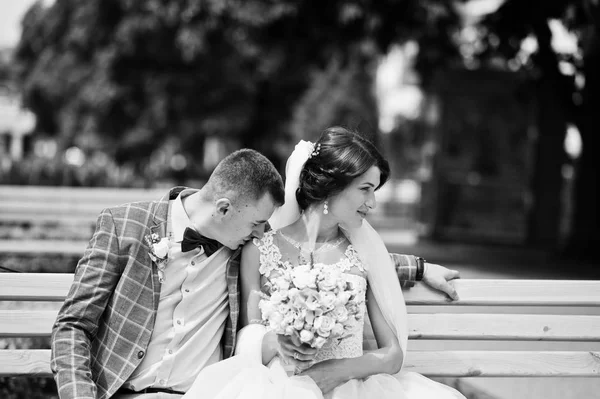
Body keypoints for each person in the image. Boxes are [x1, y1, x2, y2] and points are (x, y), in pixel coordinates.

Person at [51, 146, 459, 399]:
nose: (265, 234)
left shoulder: (244, 244)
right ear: (225, 209)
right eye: (258, 225)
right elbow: (72, 325)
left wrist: (420, 267)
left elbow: (345, 262)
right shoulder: (126, 226)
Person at [183, 127, 466, 399]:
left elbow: (392, 354)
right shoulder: (259, 248)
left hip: (354, 388)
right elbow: (247, 337)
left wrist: (341, 370)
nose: (372, 203)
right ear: (333, 186)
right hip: (279, 386)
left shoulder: (363, 252)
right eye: (366, 189)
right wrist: (278, 342)